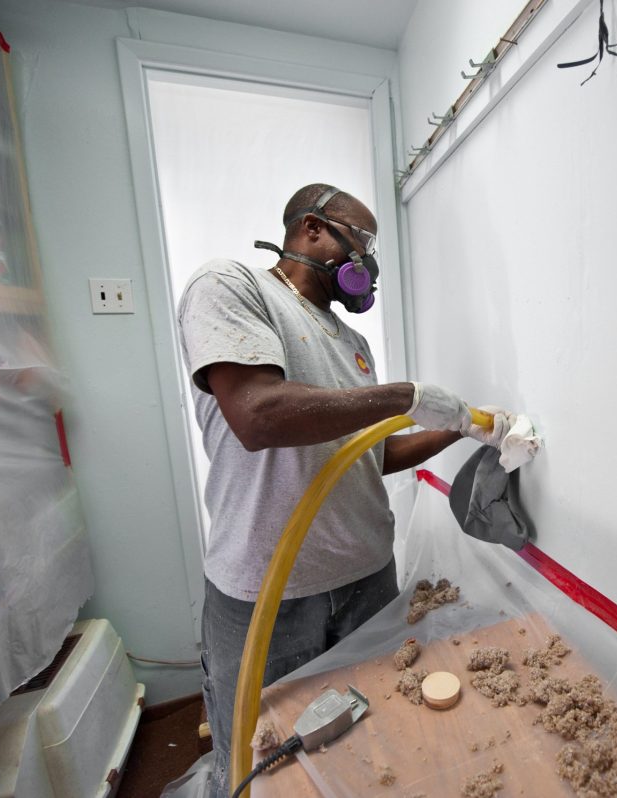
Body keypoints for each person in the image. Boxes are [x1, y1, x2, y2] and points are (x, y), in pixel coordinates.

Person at [176, 183, 508, 797]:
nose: (369, 263)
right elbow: (257, 415)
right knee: (261, 756)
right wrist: (407, 397)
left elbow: (370, 456)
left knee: (361, 741)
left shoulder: (352, 346)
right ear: (310, 231)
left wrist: (460, 428)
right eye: (362, 243)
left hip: (366, 582)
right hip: (268, 592)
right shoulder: (231, 287)